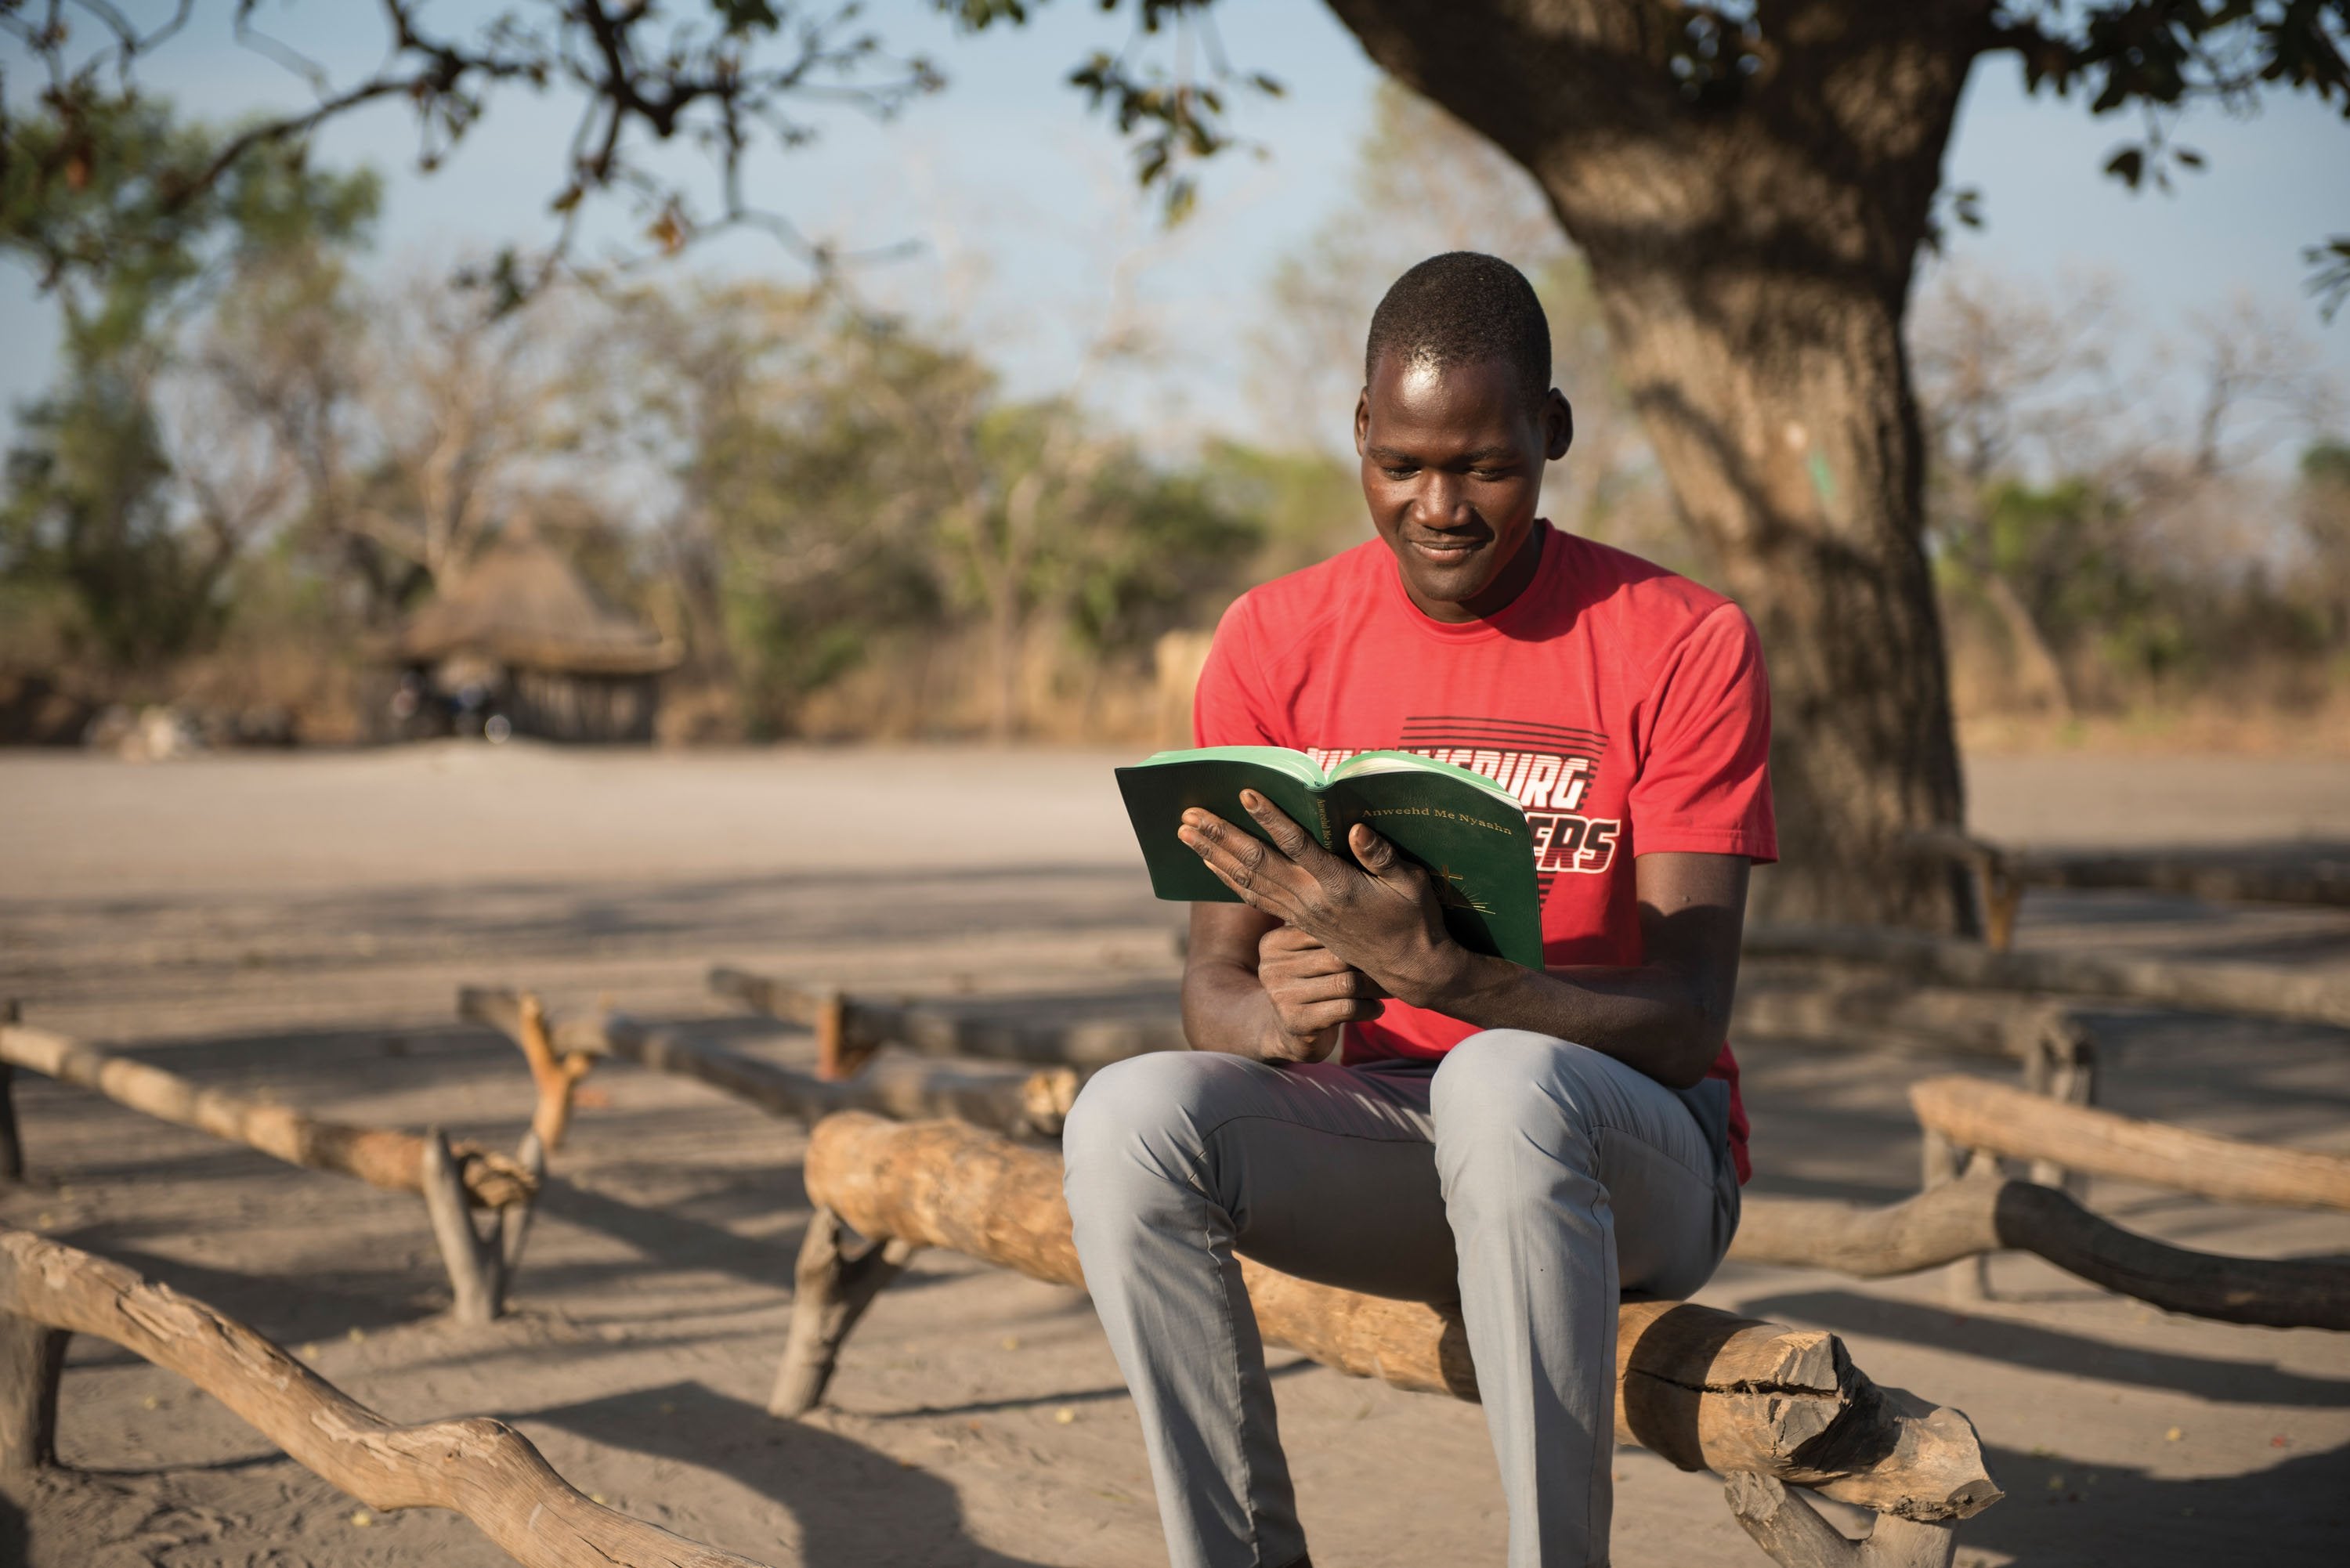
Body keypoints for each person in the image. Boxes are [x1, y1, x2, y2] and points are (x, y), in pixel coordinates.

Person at [1061, 251, 1776, 1568]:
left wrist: (1446, 976)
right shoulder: (1276, 641)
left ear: (1551, 434)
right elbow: (1208, 987)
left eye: (1485, 467)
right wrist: (1276, 1019)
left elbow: (1685, 1026)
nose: (1437, 506)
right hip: (1393, 1137)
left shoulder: (1681, 640)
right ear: (1360, 435)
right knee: (1122, 1121)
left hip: (1636, 1157)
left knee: (1506, 1083)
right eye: (1402, 464)